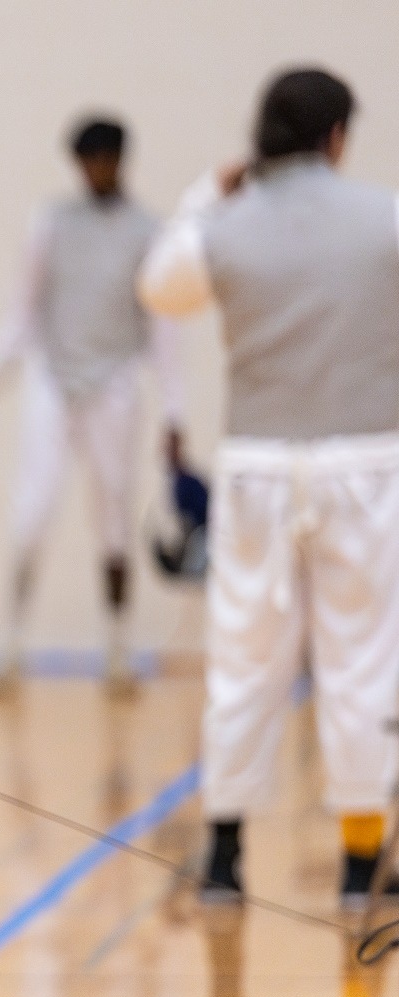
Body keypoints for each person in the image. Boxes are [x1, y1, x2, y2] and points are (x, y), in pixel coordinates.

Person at [140, 68, 399, 908]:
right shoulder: (386, 217)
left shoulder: (226, 224)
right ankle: (362, 869)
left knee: (245, 662)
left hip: (257, 471)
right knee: (362, 664)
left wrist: (203, 196)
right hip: (364, 467)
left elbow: (160, 287)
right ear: (335, 136)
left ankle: (223, 856)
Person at [0, 116, 185, 695]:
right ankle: (8, 648)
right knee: (31, 513)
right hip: (52, 382)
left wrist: (175, 415)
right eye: (87, 160)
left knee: (114, 523)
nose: (96, 169)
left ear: (122, 160)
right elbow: (21, 317)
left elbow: (164, 336)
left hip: (116, 386)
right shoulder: (49, 223)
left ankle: (118, 651)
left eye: (105, 159)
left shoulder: (150, 232)